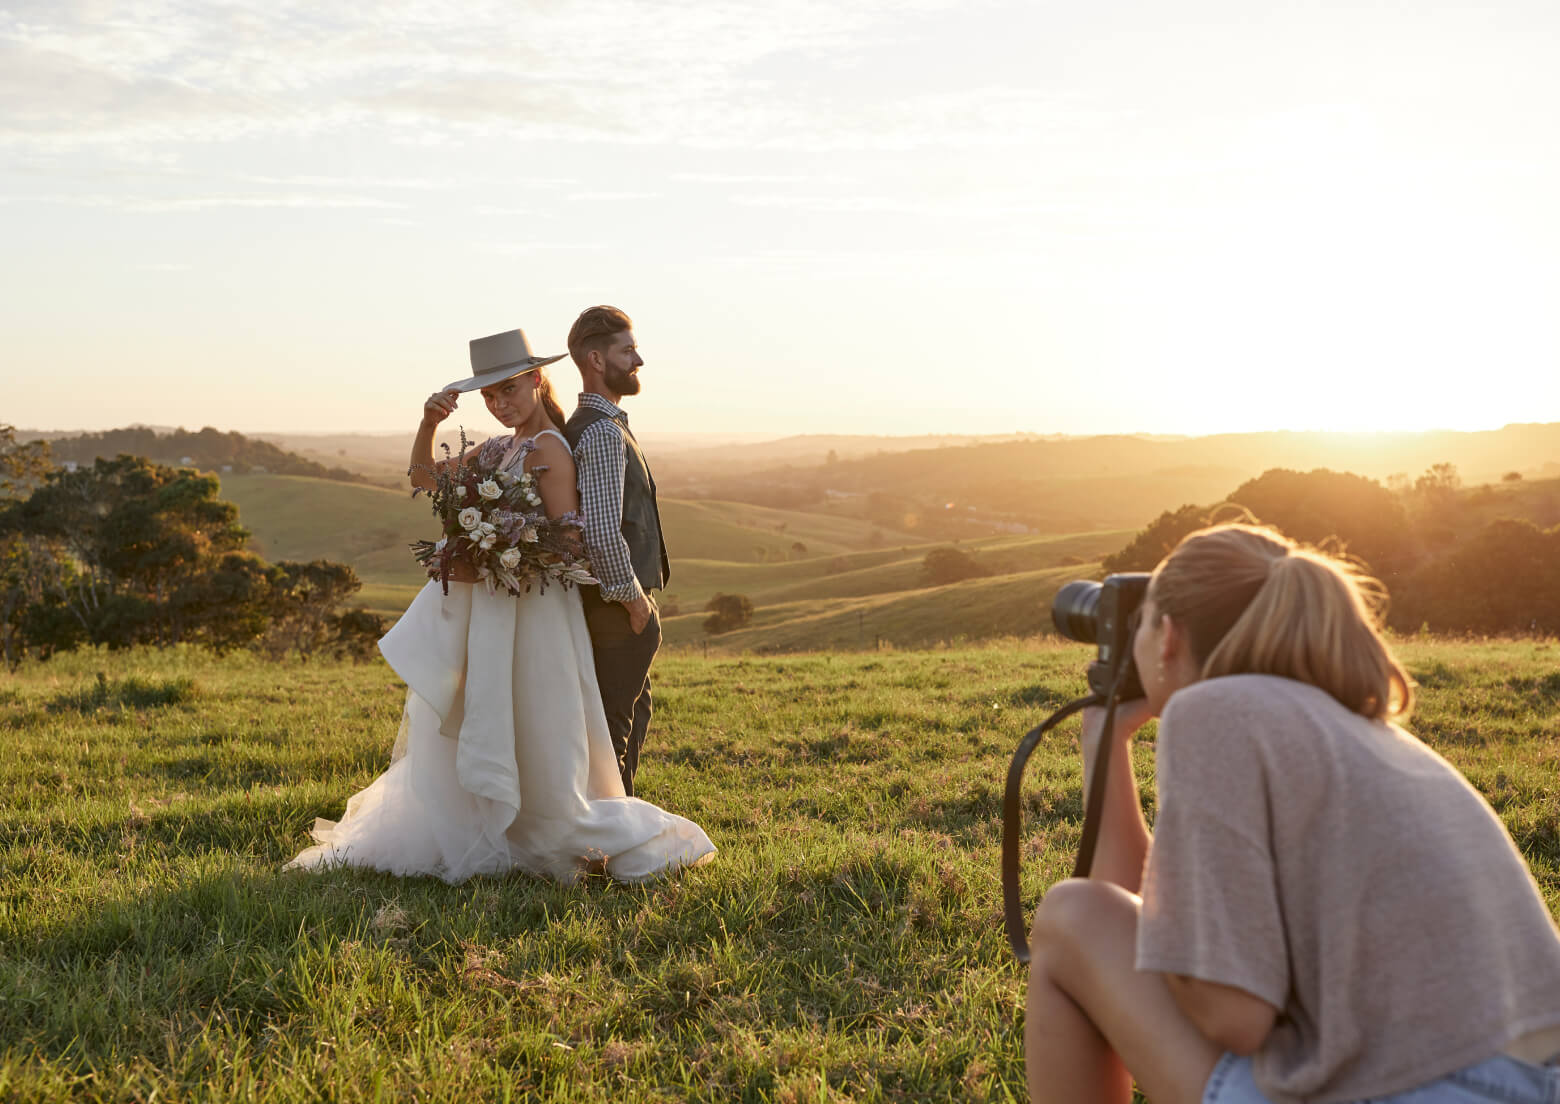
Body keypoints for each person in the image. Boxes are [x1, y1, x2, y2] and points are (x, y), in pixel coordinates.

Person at [1025, 523, 1560, 1104]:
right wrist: (1104, 742)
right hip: (1522, 1078)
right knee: (1088, 916)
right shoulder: (1352, 728)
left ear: (1169, 637)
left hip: (1427, 1091)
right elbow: (1147, 932)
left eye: (1140, 624)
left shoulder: (1217, 711)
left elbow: (1235, 1017)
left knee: (1069, 916)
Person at [285, 328, 714, 884]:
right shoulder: (497, 448)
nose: (500, 403)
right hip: (498, 609)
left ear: (536, 379)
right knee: (494, 712)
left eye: (508, 389)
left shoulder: (551, 449)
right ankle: (494, 824)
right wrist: (428, 425)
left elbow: (570, 539)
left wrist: (501, 545)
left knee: (540, 718)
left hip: (538, 609)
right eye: (489, 396)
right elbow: (424, 480)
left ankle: (560, 825)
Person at [562, 306, 669, 797]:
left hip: (607, 604)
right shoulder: (603, 432)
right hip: (616, 606)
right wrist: (634, 601)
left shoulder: (587, 423)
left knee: (628, 714)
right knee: (612, 731)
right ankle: (606, 843)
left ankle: (619, 826)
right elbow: (603, 533)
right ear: (596, 360)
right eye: (627, 350)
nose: (639, 359)